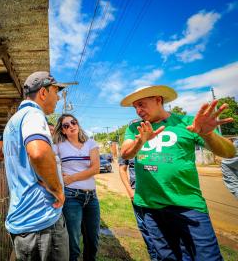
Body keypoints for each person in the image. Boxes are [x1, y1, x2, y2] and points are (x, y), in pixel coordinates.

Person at [120, 85, 235, 260]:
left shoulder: (187, 122)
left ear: (158, 100)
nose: (138, 110)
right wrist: (140, 142)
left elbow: (229, 153)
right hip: (150, 208)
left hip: (188, 207)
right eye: (135, 107)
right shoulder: (135, 128)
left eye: (141, 104)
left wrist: (208, 134)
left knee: (207, 257)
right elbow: (125, 153)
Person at [3, 71, 69, 261]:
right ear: (43, 93)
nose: (57, 98)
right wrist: (58, 190)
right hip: (41, 224)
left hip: (27, 223)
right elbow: (38, 153)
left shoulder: (14, 121)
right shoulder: (33, 114)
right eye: (56, 92)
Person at [53, 114, 100, 261]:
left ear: (78, 124)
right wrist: (60, 174)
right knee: (73, 242)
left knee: (92, 240)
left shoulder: (91, 143)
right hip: (71, 197)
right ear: (63, 131)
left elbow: (95, 168)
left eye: (73, 122)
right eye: (66, 125)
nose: (71, 126)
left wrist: (70, 178)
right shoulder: (59, 146)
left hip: (91, 197)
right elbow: (50, 164)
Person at [118, 155, 157, 260]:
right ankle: (154, 257)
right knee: (146, 230)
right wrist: (130, 192)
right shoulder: (128, 146)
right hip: (138, 196)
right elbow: (122, 169)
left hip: (158, 195)